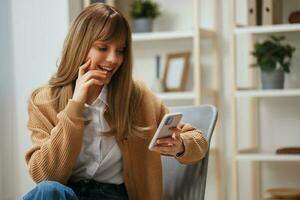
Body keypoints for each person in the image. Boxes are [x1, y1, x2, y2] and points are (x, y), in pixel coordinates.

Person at [22, 3, 208, 200]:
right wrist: (75, 106)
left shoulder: (138, 97)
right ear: (79, 47)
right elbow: (44, 175)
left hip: (114, 196)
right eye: (103, 48)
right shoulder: (44, 100)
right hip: (67, 195)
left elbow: (199, 140)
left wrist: (180, 145)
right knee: (48, 191)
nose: (113, 59)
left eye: (120, 50)